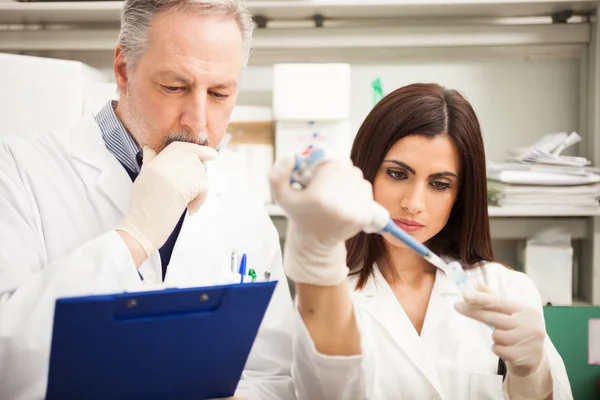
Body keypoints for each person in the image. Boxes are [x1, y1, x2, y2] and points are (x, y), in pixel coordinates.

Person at [0, 1, 295, 399]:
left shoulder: (244, 209)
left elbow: (274, 377)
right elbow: (8, 363)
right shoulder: (17, 171)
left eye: (220, 93)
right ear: (123, 70)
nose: (198, 120)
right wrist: (133, 238)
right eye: (175, 87)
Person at [269, 83, 573, 399]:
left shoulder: (508, 290)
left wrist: (533, 374)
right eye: (398, 174)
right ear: (366, 170)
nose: (414, 203)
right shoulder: (330, 292)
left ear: (460, 195)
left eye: (439, 184)